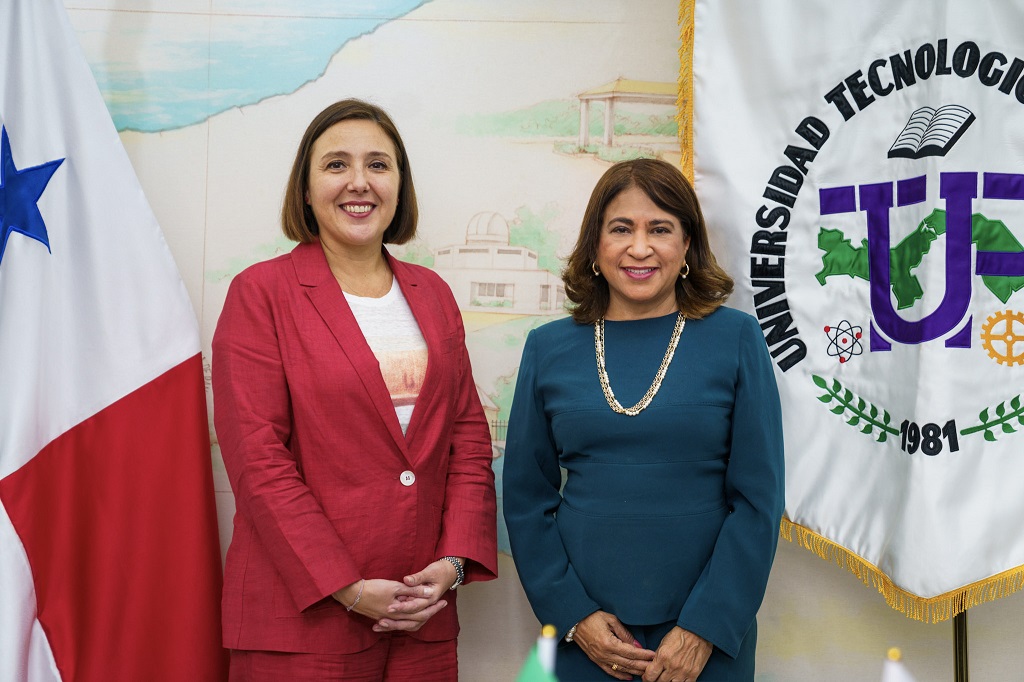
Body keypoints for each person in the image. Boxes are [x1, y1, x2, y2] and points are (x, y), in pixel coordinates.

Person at [212, 99, 498, 681]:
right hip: (303, 619)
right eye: (336, 164)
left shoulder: (433, 294)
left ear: (400, 184)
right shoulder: (260, 293)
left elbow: (467, 439)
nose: (359, 182)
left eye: (378, 164)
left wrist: (452, 564)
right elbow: (257, 459)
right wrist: (346, 586)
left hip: (421, 617)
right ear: (306, 187)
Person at [503, 158, 784, 682]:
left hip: (709, 634)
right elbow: (525, 498)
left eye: (659, 229)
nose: (639, 248)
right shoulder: (547, 348)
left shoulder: (737, 339)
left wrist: (705, 626)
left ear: (686, 244)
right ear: (595, 245)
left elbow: (758, 501)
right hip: (586, 634)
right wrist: (574, 615)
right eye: (620, 229)